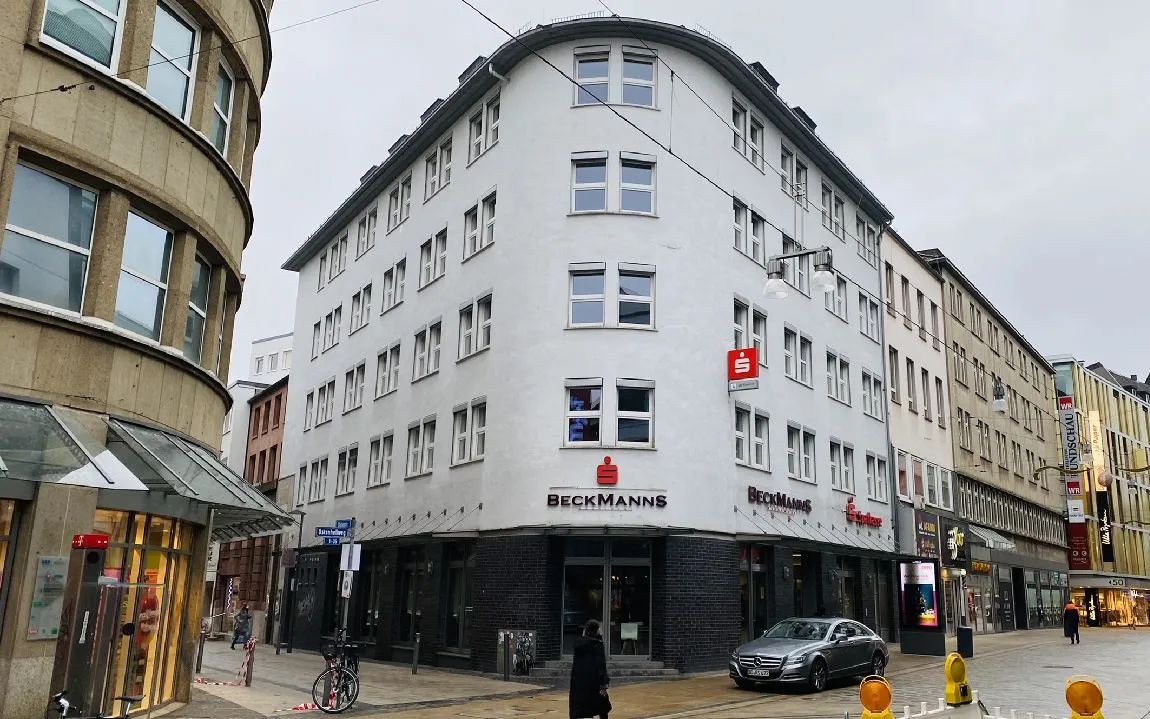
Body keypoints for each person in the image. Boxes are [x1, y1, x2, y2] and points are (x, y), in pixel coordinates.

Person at [569, 620, 610, 719]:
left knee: (580, 707)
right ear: (596, 630)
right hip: (594, 681)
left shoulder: (579, 645)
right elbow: (600, 665)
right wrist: (603, 683)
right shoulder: (597, 644)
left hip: (579, 682)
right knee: (602, 705)